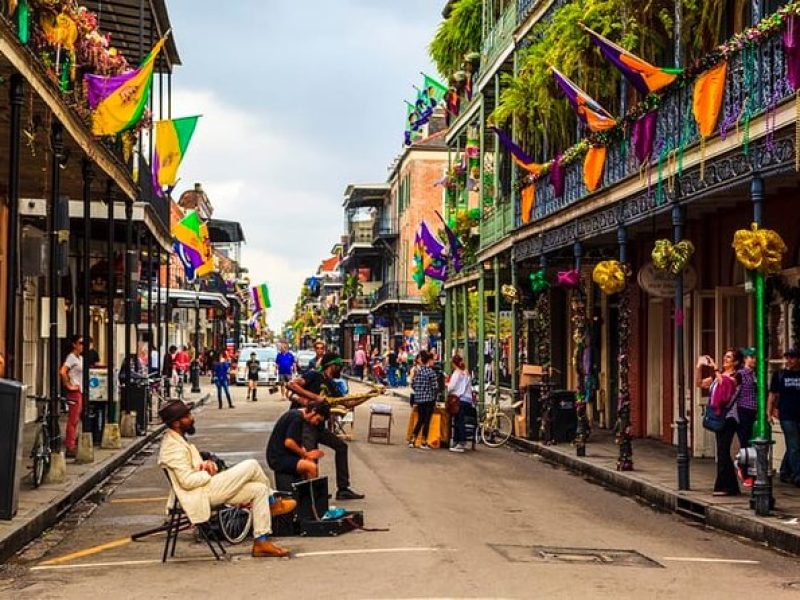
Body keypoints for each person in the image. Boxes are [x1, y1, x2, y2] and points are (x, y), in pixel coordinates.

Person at [157, 399, 295, 558]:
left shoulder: (178, 439)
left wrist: (206, 464)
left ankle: (261, 542)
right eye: (187, 416)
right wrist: (208, 473)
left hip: (205, 488)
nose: (192, 417)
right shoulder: (172, 447)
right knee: (252, 465)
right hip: (200, 494)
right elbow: (186, 482)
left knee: (259, 490)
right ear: (176, 423)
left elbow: (191, 468)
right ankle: (273, 502)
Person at [286, 353, 365, 500]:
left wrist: (368, 396)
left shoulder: (332, 384)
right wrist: (315, 397)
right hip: (305, 423)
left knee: (341, 446)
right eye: (339, 366)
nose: (340, 369)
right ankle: (310, 493)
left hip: (319, 425)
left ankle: (343, 489)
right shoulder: (313, 375)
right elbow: (291, 385)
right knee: (311, 456)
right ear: (331, 366)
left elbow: (345, 403)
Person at [696, 348, 741, 496]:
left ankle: (723, 487)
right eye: (725, 357)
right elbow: (700, 384)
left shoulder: (736, 376)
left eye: (728, 358)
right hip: (719, 417)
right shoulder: (717, 376)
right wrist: (699, 367)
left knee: (722, 451)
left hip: (729, 418)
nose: (725, 359)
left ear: (735, 362)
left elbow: (726, 385)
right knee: (722, 451)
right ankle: (732, 486)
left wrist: (715, 368)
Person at [266, 401, 330, 480]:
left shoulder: (297, 415)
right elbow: (289, 442)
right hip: (279, 458)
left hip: (283, 455)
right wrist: (305, 454)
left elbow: (294, 441)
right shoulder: (297, 418)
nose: (316, 423)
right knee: (311, 467)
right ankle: (311, 491)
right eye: (317, 420)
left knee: (310, 462)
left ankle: (307, 488)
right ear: (313, 411)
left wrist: (306, 453)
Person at [769, 347, 800, 486]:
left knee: (794, 445)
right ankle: (797, 475)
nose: (789, 360)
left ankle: (784, 471)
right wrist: (768, 412)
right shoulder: (780, 374)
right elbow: (772, 394)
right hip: (786, 415)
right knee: (794, 445)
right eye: (787, 357)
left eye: (792, 357)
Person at [735, 347, 757, 487]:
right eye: (751, 357)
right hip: (743, 409)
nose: (753, 360)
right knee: (745, 442)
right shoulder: (741, 374)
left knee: (753, 443)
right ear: (745, 360)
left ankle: (747, 468)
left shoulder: (756, 374)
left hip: (754, 411)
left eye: (755, 357)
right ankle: (744, 472)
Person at [60, 335, 84, 458]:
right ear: (74, 344)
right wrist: (69, 385)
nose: (82, 345)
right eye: (80, 343)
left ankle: (73, 442)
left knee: (76, 419)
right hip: (74, 391)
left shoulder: (80, 358)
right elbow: (63, 371)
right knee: (73, 419)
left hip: (80, 390)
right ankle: (70, 445)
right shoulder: (71, 358)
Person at [409, 350, 438, 450]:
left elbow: (413, 384)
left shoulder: (418, 371)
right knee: (427, 421)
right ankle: (424, 441)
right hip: (429, 399)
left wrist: (419, 391)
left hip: (419, 399)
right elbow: (435, 387)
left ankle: (412, 439)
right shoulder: (431, 373)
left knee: (420, 419)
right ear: (428, 361)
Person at [447, 355, 474, 453]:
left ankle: (460, 443)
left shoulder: (457, 373)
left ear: (454, 363)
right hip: (468, 400)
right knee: (460, 420)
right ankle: (458, 442)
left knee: (458, 421)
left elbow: (451, 387)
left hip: (459, 400)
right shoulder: (466, 373)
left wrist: (447, 385)